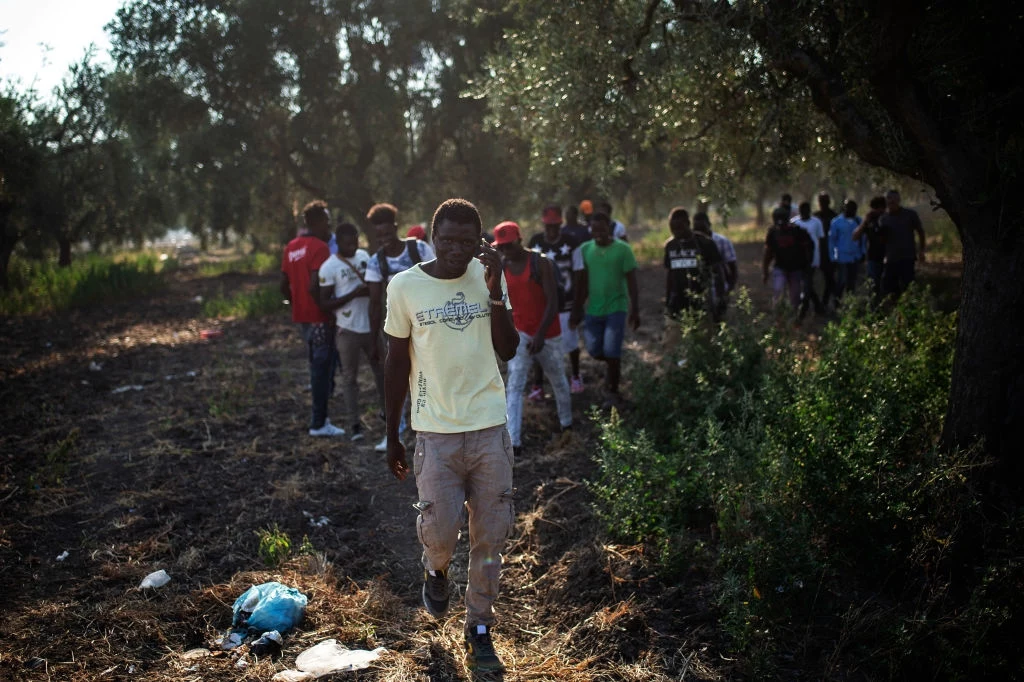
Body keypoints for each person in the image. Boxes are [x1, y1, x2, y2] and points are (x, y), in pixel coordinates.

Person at [383, 198, 518, 673]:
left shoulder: (488, 278)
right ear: (432, 239)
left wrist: (496, 291)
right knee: (440, 535)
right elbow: (396, 361)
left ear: (479, 242)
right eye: (448, 240)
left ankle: (479, 626)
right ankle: (435, 570)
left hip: (488, 430)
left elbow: (509, 348)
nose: (457, 249)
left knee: (490, 537)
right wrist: (392, 434)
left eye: (467, 241)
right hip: (435, 435)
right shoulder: (404, 286)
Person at [494, 221, 573, 456]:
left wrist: (540, 335)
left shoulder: (540, 263)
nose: (506, 250)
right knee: (515, 384)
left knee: (557, 378)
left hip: (547, 333)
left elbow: (552, 301)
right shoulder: (503, 268)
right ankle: (514, 441)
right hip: (521, 333)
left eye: (509, 245)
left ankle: (567, 423)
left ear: (520, 240)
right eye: (502, 247)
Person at [365, 203, 435, 452]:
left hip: (428, 326)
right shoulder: (376, 262)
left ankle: (428, 431)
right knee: (396, 380)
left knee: (428, 378)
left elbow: (439, 281)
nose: (383, 239)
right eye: (378, 236)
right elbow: (375, 304)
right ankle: (395, 432)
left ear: (395, 228)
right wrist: (373, 340)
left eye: (387, 233)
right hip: (396, 330)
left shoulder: (419, 249)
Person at [280, 200, 344, 437]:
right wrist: (326, 312)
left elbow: (283, 286)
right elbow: (314, 285)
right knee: (321, 368)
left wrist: (296, 304)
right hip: (319, 318)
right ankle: (319, 422)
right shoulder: (319, 247)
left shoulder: (291, 247)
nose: (329, 225)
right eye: (326, 221)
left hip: (302, 318)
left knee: (317, 366)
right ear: (316, 222)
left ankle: (321, 417)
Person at [317, 222, 384, 442]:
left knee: (382, 373)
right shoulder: (328, 267)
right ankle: (354, 423)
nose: (353, 246)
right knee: (349, 378)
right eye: (348, 243)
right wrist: (354, 293)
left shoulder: (365, 256)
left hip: (372, 326)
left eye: (355, 241)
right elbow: (324, 303)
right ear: (338, 243)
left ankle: (387, 415)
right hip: (347, 330)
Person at [570, 212, 640, 408]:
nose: (598, 232)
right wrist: (577, 310)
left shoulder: (623, 249)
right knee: (594, 350)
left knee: (611, 350)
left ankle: (613, 391)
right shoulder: (585, 250)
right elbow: (581, 284)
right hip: (593, 310)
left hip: (616, 308)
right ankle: (613, 361)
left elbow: (632, 281)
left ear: (609, 228)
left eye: (602, 228)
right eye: (594, 229)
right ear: (590, 229)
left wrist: (635, 309)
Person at [527, 204, 584, 395]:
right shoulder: (535, 242)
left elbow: (579, 274)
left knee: (570, 343)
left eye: (555, 226)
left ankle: (575, 375)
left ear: (561, 224)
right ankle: (538, 384)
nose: (551, 230)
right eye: (548, 226)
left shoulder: (572, 242)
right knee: (539, 344)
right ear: (544, 225)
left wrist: (578, 306)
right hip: (541, 304)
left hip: (566, 302)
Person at [662, 208, 724, 349]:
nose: (675, 231)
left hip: (701, 306)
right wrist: (667, 302)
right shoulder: (670, 246)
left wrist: (720, 299)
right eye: (672, 228)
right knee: (672, 348)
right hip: (676, 307)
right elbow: (670, 276)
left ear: (688, 223)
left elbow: (718, 273)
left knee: (703, 349)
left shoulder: (705, 244)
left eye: (679, 227)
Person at [763, 206, 813, 311]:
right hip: (780, 267)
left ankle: (794, 317)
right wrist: (765, 270)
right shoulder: (772, 233)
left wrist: (807, 267)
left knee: (795, 296)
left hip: (796, 268)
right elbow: (769, 253)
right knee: (778, 291)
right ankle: (778, 316)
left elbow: (809, 249)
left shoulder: (798, 231)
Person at [877, 190, 925, 297]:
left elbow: (920, 232)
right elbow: (882, 241)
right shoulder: (883, 218)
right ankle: (894, 312)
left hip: (907, 257)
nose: (891, 201)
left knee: (908, 288)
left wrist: (921, 251)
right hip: (891, 259)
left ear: (899, 200)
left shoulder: (910, 215)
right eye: (888, 199)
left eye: (893, 199)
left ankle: (909, 310)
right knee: (889, 289)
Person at [692, 211, 737, 318]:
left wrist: (728, 291)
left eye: (702, 229)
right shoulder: (691, 243)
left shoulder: (721, 241)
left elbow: (732, 268)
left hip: (718, 288)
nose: (700, 233)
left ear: (709, 225)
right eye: (697, 229)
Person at [792, 201, 826, 320]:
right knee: (807, 284)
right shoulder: (794, 223)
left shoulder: (816, 222)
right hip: (797, 259)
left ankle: (803, 309)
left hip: (813, 258)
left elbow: (821, 240)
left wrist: (822, 258)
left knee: (807, 284)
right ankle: (817, 305)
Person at [828, 199, 865, 301]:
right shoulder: (836, 222)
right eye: (848, 207)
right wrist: (833, 256)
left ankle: (850, 305)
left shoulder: (859, 221)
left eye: (853, 208)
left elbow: (863, 239)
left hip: (855, 256)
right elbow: (832, 241)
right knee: (842, 281)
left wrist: (863, 252)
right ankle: (837, 302)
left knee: (852, 282)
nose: (851, 210)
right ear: (844, 208)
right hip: (842, 257)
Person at [854, 196, 888, 297]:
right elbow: (855, 236)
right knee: (873, 285)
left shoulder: (888, 219)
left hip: (888, 257)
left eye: (879, 208)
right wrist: (865, 222)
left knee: (886, 285)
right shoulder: (869, 221)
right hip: (872, 257)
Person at [815, 192, 838, 308]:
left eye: (824, 201)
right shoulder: (815, 216)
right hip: (819, 252)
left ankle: (827, 302)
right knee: (827, 278)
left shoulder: (835, 216)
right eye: (821, 201)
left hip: (831, 251)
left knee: (829, 277)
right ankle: (829, 302)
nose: (823, 203)